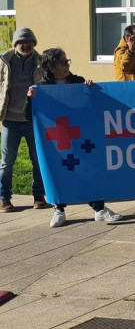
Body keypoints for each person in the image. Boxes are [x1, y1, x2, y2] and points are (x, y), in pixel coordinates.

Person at [25, 48, 123, 226]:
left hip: (80, 140)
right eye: (63, 62)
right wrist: (30, 99)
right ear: (52, 67)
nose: (67, 65)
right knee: (57, 171)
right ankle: (59, 210)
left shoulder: (78, 82)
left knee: (87, 170)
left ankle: (99, 209)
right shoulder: (42, 88)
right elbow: (28, 116)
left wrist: (90, 89)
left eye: (67, 61)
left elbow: (92, 105)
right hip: (57, 142)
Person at [0, 28, 50, 212]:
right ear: (15, 43)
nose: (26, 45)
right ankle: (4, 199)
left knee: (37, 160)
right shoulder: (4, 60)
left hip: (32, 119)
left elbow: (52, 81)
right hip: (10, 120)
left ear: (34, 43)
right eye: (22, 41)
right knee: (7, 162)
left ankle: (39, 197)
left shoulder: (41, 61)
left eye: (29, 41)